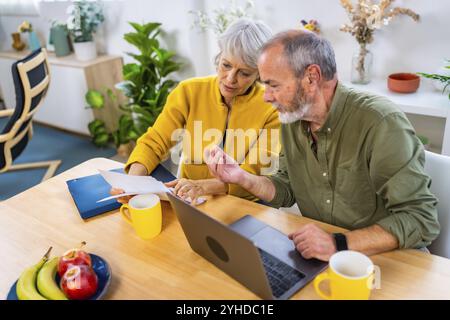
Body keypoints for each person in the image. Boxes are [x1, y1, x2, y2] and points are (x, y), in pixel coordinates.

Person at [205, 30, 440, 261]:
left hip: (393, 260)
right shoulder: (293, 118)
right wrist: (241, 177)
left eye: (273, 85)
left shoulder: (380, 123)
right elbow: (286, 189)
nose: (266, 96)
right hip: (327, 256)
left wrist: (337, 244)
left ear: (311, 77)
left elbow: (421, 218)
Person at [111, 18, 280, 204]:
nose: (230, 79)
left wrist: (203, 186)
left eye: (244, 73)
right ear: (219, 57)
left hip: (244, 201)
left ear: (260, 73)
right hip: (189, 197)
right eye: (226, 65)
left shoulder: (272, 107)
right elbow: (154, 142)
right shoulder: (189, 91)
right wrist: (132, 182)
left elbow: (253, 173)